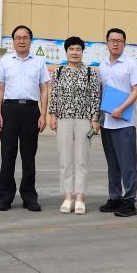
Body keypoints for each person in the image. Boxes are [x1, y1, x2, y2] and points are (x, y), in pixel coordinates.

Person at [0, 25, 51, 212]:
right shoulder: (5, 61)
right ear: (13, 41)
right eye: (18, 38)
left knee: (29, 156)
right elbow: (0, 88)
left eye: (25, 37)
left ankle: (29, 197)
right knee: (7, 155)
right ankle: (5, 197)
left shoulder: (39, 61)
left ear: (30, 40)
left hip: (31, 110)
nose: (21, 41)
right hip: (9, 110)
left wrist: (43, 114)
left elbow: (44, 89)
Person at [48, 36, 102, 214]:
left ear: (82, 52)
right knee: (65, 160)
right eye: (71, 49)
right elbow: (54, 95)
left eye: (78, 49)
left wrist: (95, 119)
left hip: (84, 119)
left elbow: (95, 97)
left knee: (81, 159)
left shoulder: (90, 73)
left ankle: (80, 196)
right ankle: (67, 196)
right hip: (63, 118)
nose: (74, 52)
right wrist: (52, 116)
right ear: (66, 51)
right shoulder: (59, 71)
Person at [97, 28, 137, 218]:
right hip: (107, 123)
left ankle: (129, 200)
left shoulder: (130, 64)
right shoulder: (102, 66)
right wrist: (98, 118)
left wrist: (121, 108)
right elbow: (101, 92)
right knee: (112, 164)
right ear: (107, 43)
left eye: (119, 40)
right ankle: (115, 197)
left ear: (124, 44)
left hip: (124, 122)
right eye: (112, 40)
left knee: (127, 164)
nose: (115, 43)